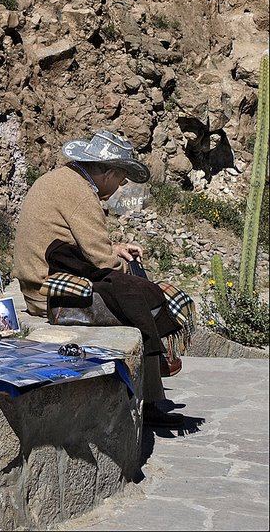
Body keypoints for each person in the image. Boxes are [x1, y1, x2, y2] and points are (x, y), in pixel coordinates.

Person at [12, 129, 187, 428]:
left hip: (39, 281)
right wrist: (123, 265)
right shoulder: (80, 194)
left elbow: (82, 244)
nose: (119, 188)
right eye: (120, 180)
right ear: (108, 172)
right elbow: (102, 260)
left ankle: (154, 392)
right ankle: (154, 391)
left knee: (131, 283)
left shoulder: (63, 180)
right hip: (51, 294)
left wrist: (117, 251)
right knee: (136, 301)